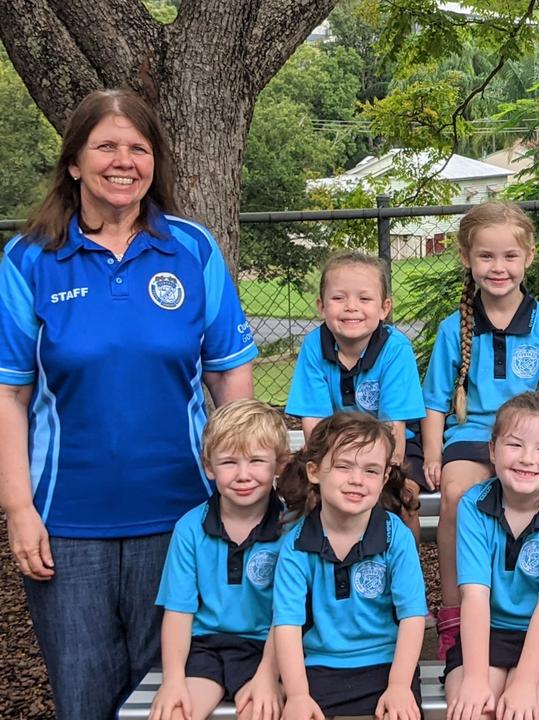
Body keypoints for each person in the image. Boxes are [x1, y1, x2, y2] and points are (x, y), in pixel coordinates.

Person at [0, 88, 257, 719]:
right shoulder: (29, 259)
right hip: (67, 524)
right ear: (74, 163)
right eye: (106, 146)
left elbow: (231, 378)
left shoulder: (192, 249)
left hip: (182, 519)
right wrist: (17, 509)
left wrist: (239, 492)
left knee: (170, 700)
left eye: (138, 148)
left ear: (155, 162)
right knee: (86, 700)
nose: (124, 161)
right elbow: (9, 393)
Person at [420, 200, 539, 661]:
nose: (498, 267)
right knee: (460, 498)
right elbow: (436, 404)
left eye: (509, 256)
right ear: (466, 258)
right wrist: (435, 456)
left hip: (533, 439)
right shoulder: (451, 328)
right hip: (474, 436)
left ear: (528, 258)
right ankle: (456, 615)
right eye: (486, 256)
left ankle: (534, 610)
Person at [272, 412, 427, 720]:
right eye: (343, 466)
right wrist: (298, 694)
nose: (357, 480)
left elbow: (412, 616)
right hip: (317, 666)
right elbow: (287, 626)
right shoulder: (296, 544)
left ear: (384, 479)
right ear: (315, 472)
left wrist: (399, 685)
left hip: (387, 664)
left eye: (371, 471)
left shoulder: (395, 537)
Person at [445, 392, 539, 720]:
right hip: (488, 632)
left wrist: (524, 683)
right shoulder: (472, 505)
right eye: (515, 445)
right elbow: (475, 596)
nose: (527, 458)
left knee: (520, 712)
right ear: (492, 450)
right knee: (471, 712)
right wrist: (476, 679)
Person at [151, 399, 290, 720]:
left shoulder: (291, 529)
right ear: (209, 466)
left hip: (266, 649)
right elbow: (178, 612)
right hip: (204, 648)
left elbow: (288, 614)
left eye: (257, 460)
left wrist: (268, 676)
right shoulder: (189, 528)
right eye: (228, 462)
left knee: (261, 711)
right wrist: (172, 680)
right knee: (176, 712)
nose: (243, 475)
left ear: (279, 465)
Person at [286, 250, 426, 536]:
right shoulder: (314, 347)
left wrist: (378, 476)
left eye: (364, 299)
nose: (351, 307)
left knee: (402, 501)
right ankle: (314, 569)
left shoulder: (396, 349)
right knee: (299, 495)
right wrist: (330, 472)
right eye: (339, 298)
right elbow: (314, 425)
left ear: (384, 307)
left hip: (394, 450)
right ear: (321, 306)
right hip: (332, 449)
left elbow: (394, 429)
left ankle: (406, 572)